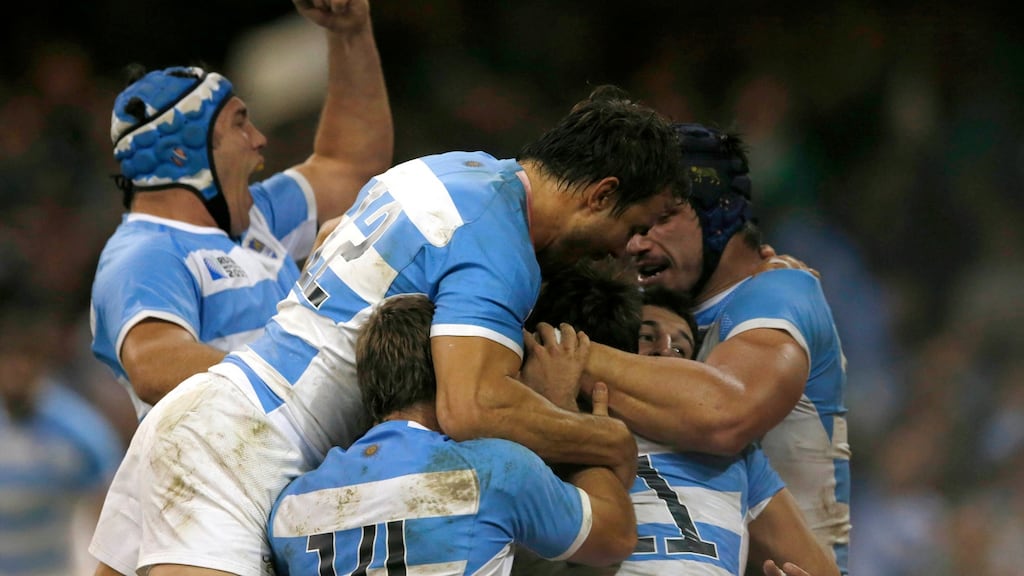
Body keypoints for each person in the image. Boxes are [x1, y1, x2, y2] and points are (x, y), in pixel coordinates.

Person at [89, 82, 686, 576]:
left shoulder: (453, 171)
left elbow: (328, 234)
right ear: (602, 194)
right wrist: (604, 439)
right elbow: (472, 407)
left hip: (211, 411)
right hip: (245, 449)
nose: (624, 249)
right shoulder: (500, 244)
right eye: (635, 225)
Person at [89, 0, 393, 421]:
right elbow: (153, 364)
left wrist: (350, 35)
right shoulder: (144, 252)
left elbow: (351, 165)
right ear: (180, 154)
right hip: (224, 483)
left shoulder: (255, 216)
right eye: (239, 123)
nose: (259, 138)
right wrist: (306, 381)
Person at [584, 123, 851, 573]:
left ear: (718, 215)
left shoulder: (777, 293)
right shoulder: (657, 305)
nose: (636, 241)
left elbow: (723, 416)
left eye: (662, 218)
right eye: (632, 221)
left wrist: (561, 352)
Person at [268, 294, 636, 574]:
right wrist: (565, 412)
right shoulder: (493, 472)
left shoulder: (289, 506)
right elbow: (615, 537)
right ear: (452, 375)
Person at [516, 262, 839, 576]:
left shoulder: (735, 455)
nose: (666, 351)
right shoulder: (551, 414)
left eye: (682, 350)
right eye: (647, 336)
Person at [0, 301, 123, 576]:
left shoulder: (79, 431)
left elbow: (111, 517)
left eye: (27, 357)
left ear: (43, 362)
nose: (15, 368)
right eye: (7, 357)